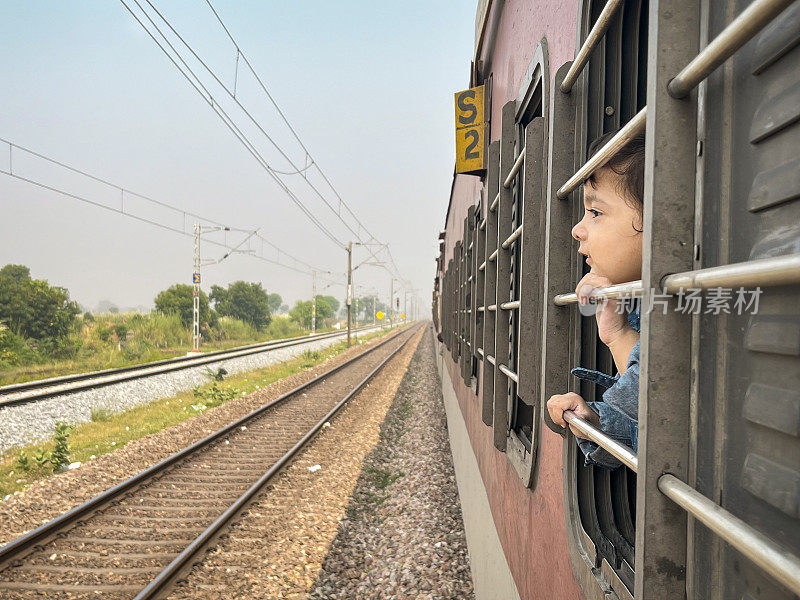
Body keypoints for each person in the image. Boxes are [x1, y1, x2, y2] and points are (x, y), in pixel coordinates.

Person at [546, 131, 645, 469]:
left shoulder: (688, 304)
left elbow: (656, 418)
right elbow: (650, 426)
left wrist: (616, 335)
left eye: (596, 212)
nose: (577, 229)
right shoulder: (646, 305)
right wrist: (615, 333)